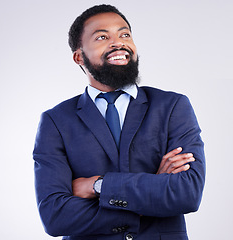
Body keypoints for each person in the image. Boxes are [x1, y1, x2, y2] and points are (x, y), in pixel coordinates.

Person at [33, 4, 205, 240]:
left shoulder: (172, 107)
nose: (118, 42)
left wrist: (98, 186)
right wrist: (153, 190)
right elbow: (54, 216)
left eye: (124, 34)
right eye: (102, 37)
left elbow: (187, 193)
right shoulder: (56, 120)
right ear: (78, 56)